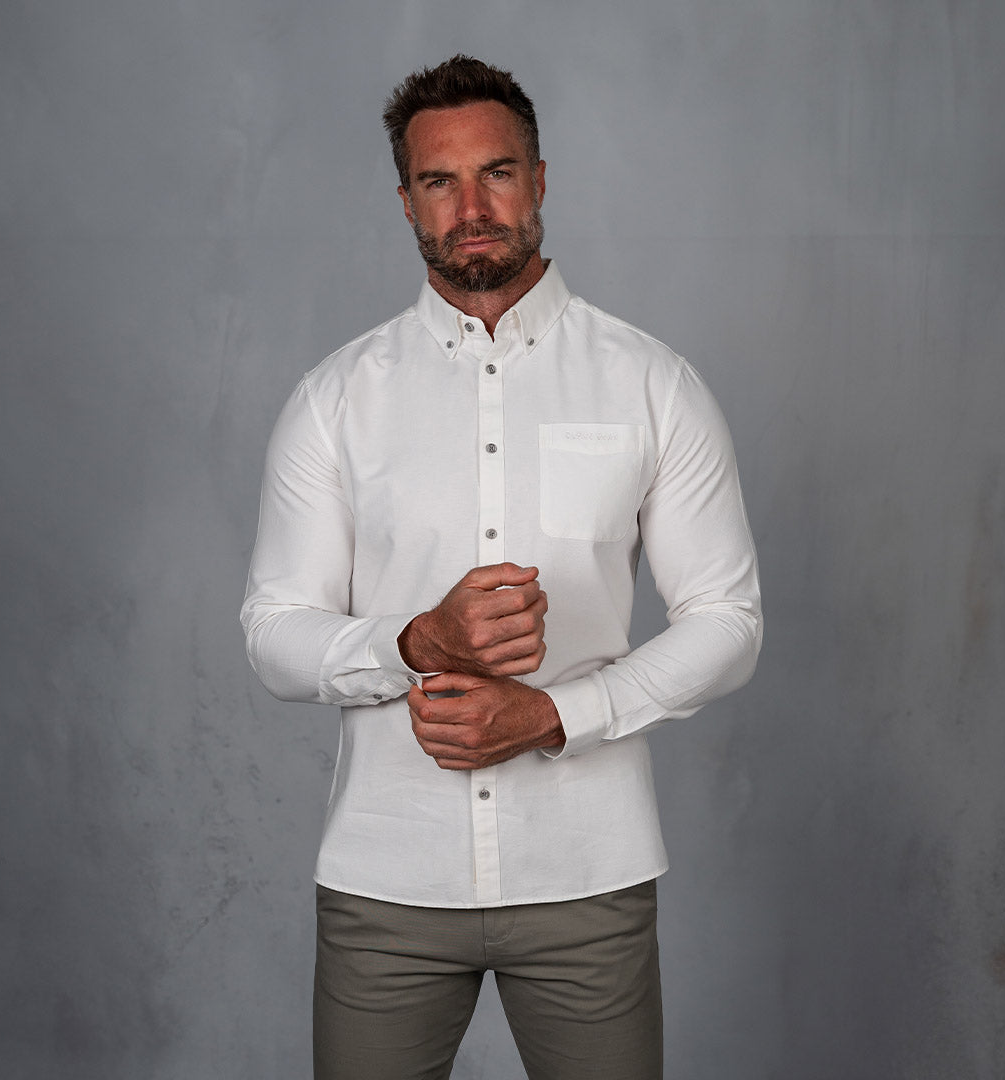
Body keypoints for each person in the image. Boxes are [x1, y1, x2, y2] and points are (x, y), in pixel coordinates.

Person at [241, 55, 762, 1080]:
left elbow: (728, 621)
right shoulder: (334, 400)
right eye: (439, 181)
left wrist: (557, 715)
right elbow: (273, 631)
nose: (472, 209)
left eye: (497, 173)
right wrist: (414, 642)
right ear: (406, 201)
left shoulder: (652, 385)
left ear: (540, 178)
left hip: (588, 876)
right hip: (388, 881)